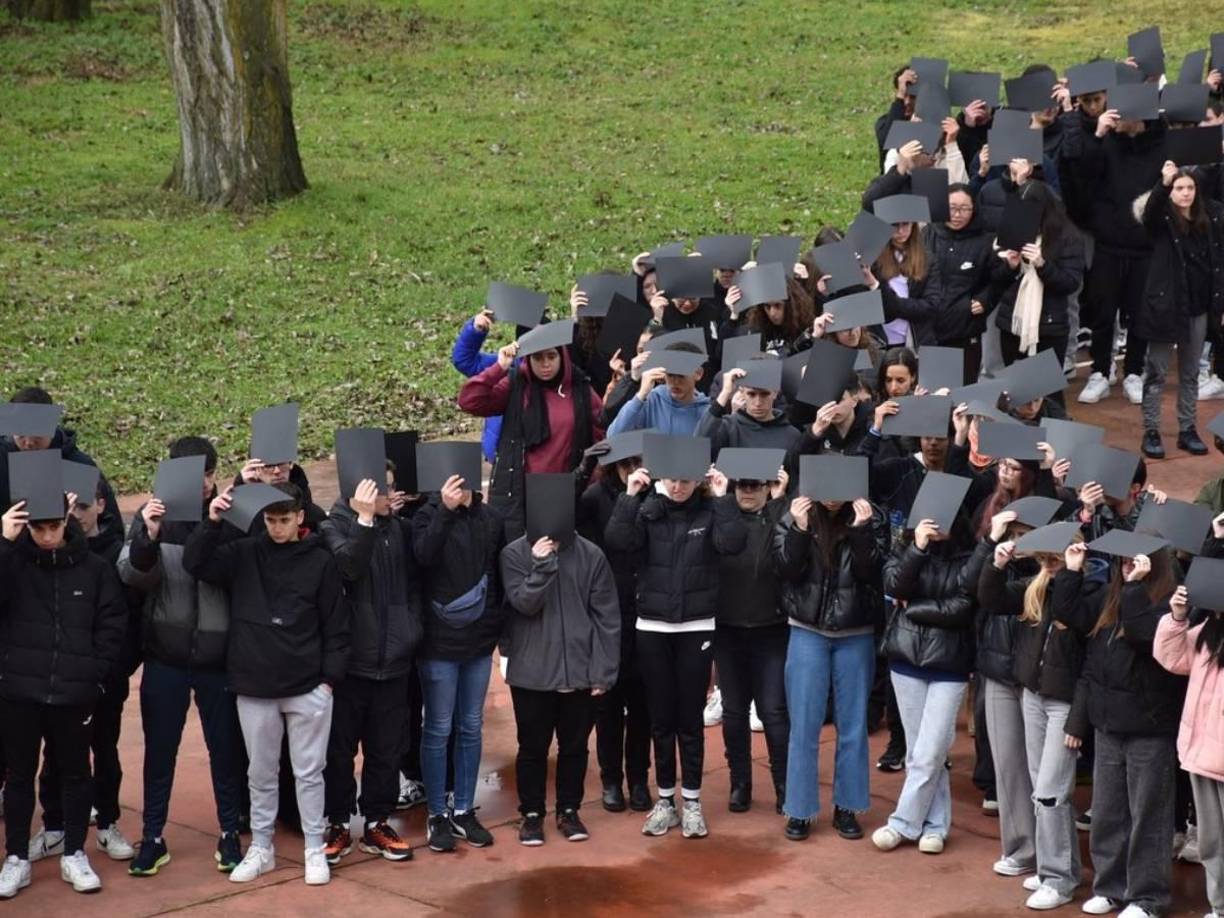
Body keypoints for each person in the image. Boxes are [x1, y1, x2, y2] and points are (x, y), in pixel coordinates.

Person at [183, 482, 351, 887]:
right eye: (271, 520)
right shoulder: (244, 553)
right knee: (260, 773)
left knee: (310, 773)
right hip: (254, 685)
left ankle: (314, 848)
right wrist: (212, 521)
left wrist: (328, 682)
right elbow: (196, 563)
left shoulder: (320, 561)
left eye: (284, 520)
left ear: (300, 518)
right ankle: (261, 848)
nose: (277, 528)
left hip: (308, 687)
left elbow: (337, 625)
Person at [117, 437, 247, 877]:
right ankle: (153, 837)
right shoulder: (152, 515)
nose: (202, 482)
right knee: (160, 751)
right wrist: (149, 536)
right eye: (192, 473)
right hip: (165, 657)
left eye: (207, 473)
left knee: (225, 751)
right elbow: (131, 575)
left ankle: (229, 833)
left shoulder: (233, 516)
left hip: (217, 658)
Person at [604, 459, 748, 839]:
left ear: (697, 480)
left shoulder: (710, 509)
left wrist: (724, 498)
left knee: (690, 719)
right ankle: (665, 800)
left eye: (685, 479)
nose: (678, 487)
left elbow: (733, 543)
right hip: (652, 626)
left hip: (696, 626)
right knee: (661, 719)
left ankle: (692, 802)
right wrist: (629, 497)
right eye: (672, 479)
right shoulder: (648, 510)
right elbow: (618, 542)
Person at [0, 496, 127, 899]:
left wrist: (94, 675)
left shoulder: (95, 569)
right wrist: (4, 542)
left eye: (53, 527)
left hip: (74, 692)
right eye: (38, 529)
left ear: (66, 521)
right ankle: (16, 857)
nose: (47, 536)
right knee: (18, 777)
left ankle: (74, 853)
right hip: (20, 690)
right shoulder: (14, 563)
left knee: (76, 774)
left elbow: (112, 624)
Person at [1058, 544, 1184, 918]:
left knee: (1148, 816)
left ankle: (1147, 898)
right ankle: (1110, 887)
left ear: (1155, 563)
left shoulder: (1170, 602)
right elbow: (1068, 613)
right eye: (1125, 560)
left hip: (1150, 726)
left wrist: (1135, 587)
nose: (1129, 565)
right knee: (1108, 813)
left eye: (1137, 559)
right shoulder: (1108, 598)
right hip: (1109, 723)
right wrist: (1071, 571)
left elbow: (1143, 635)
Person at [32, 476, 142, 866]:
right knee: (55, 757)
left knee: (105, 752)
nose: (76, 514)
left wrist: (107, 669)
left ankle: (108, 823)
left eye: (83, 506)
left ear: (101, 505)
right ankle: (55, 827)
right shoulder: (45, 554)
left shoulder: (116, 553)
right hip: (59, 680)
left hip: (104, 678)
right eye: (70, 507)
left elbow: (123, 619)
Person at [319, 473, 423, 864]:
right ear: (361, 491)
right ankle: (338, 823)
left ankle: (377, 822)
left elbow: (416, 582)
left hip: (394, 660)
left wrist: (411, 629)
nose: (393, 494)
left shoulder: (398, 529)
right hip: (351, 665)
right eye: (385, 487)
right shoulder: (333, 526)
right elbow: (349, 567)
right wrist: (363, 521)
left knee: (386, 750)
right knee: (339, 751)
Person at [500, 515, 621, 845]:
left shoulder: (591, 554)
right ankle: (532, 813)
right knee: (532, 747)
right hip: (532, 672)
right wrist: (541, 565)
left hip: (579, 670)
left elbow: (607, 617)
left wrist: (603, 670)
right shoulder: (514, 554)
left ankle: (569, 810)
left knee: (575, 747)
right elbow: (524, 603)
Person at [980, 536, 1086, 910]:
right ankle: (1058, 869)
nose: (1049, 561)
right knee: (1043, 788)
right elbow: (992, 599)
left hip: (1063, 704)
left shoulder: (1088, 591)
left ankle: (1058, 879)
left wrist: (1071, 574)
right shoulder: (1034, 588)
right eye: (1046, 557)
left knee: (1051, 791)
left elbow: (1086, 654)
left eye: (1055, 555)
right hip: (1033, 696)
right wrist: (996, 564)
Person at [775, 492, 887, 841]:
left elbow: (873, 573)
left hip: (856, 631)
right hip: (807, 629)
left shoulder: (871, 516)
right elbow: (786, 569)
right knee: (803, 724)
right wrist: (799, 529)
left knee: (853, 724)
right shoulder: (796, 512)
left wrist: (861, 530)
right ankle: (799, 809)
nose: (833, 498)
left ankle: (848, 806)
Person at [872, 513, 976, 855]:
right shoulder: (905, 547)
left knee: (930, 751)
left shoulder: (969, 555)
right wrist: (917, 549)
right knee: (919, 751)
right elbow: (894, 587)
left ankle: (903, 822)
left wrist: (913, 608)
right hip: (906, 659)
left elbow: (962, 607)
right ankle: (934, 826)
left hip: (949, 663)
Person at [411, 473, 504, 854]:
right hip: (437, 643)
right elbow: (422, 557)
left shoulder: (490, 518)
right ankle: (437, 813)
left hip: (479, 641)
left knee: (470, 725)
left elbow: (496, 575)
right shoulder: (425, 515)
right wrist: (445, 512)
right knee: (437, 727)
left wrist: (493, 626)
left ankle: (463, 809)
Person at [1069, 102, 1167, 406]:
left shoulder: (1161, 143)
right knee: (1102, 311)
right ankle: (1100, 371)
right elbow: (1083, 181)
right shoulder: (1105, 141)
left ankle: (1134, 372)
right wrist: (1098, 137)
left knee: (1139, 312)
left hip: (1145, 243)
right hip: (1108, 242)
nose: (1113, 117)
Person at [458, 339, 603, 541]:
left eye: (551, 356)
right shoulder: (517, 384)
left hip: (568, 489)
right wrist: (500, 367)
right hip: (520, 492)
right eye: (538, 358)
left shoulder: (580, 388)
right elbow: (469, 401)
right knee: (520, 554)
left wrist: (591, 476)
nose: (545, 364)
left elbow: (601, 431)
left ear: (562, 357)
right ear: (528, 359)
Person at [1154, 520, 1224, 918]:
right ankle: (1219, 907)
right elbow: (1171, 658)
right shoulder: (1207, 632)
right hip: (1201, 753)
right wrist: (1178, 617)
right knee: (1212, 842)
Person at [577, 445, 653, 814]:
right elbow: (567, 516)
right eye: (626, 464)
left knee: (642, 705)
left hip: (646, 608)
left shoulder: (656, 495)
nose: (633, 469)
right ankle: (611, 780)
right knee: (607, 705)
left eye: (639, 463)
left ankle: (639, 778)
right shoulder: (596, 496)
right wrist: (583, 467)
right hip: (607, 611)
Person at [714, 469, 791, 816]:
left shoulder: (777, 517)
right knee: (733, 711)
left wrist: (780, 497)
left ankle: (784, 785)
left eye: (755, 484)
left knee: (773, 711)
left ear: (766, 487)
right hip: (728, 630)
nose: (747, 490)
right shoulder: (721, 515)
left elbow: (790, 546)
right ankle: (740, 783)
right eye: (741, 484)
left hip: (770, 631)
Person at [1137, 162, 1224, 459]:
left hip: (1198, 305)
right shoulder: (1161, 219)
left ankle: (1187, 428)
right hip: (1166, 306)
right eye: (1179, 188)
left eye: (1190, 188)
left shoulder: (1210, 217)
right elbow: (1149, 214)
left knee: (1190, 372)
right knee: (1157, 371)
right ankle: (1151, 430)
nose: (1185, 193)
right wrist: (1163, 184)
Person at [971, 510, 1038, 879]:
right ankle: (1020, 849)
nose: (1018, 541)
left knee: (1042, 772)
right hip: (998, 670)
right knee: (1008, 766)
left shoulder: (1051, 572)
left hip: (1037, 680)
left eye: (1026, 534)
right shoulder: (998, 560)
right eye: (1014, 533)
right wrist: (990, 546)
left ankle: (1053, 857)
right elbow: (975, 589)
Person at [0, 386, 124, 545]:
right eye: (21, 434)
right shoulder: (3, 461)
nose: (29, 442)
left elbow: (111, 530)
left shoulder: (77, 465)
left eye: (37, 434)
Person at [989, 181, 1085, 375]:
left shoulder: (1068, 237)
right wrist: (1010, 266)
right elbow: (995, 279)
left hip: (1049, 326)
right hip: (1012, 323)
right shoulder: (1012, 230)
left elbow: (1070, 283)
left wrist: (1042, 265)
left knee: (1047, 389)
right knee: (1015, 385)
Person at [606, 342, 710, 436]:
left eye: (681, 376)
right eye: (670, 375)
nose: (675, 382)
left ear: (698, 373)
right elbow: (613, 436)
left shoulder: (707, 411)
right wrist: (641, 395)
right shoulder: (652, 400)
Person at [697, 366, 802, 453]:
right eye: (751, 394)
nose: (758, 403)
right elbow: (699, 447)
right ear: (742, 392)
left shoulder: (792, 435)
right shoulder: (728, 427)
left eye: (764, 394)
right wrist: (725, 392)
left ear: (775, 393)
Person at [450, 309, 503, 463]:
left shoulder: (560, 370)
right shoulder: (509, 363)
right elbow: (465, 361)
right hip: (501, 459)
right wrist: (477, 330)